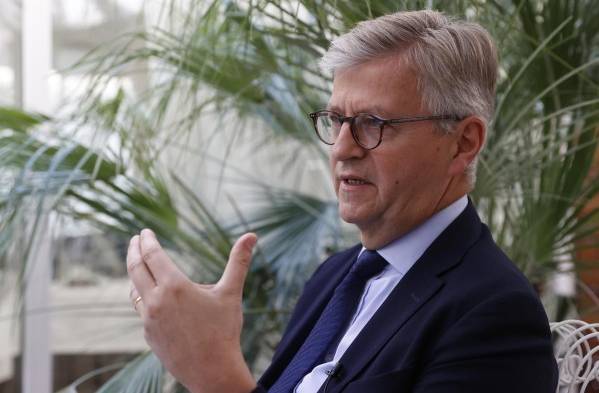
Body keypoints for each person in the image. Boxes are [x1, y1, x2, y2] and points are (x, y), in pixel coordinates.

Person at [126, 10, 558, 393]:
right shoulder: (335, 276)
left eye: (373, 123)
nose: (342, 148)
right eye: (336, 120)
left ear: (463, 142)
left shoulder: (495, 314)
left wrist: (215, 375)